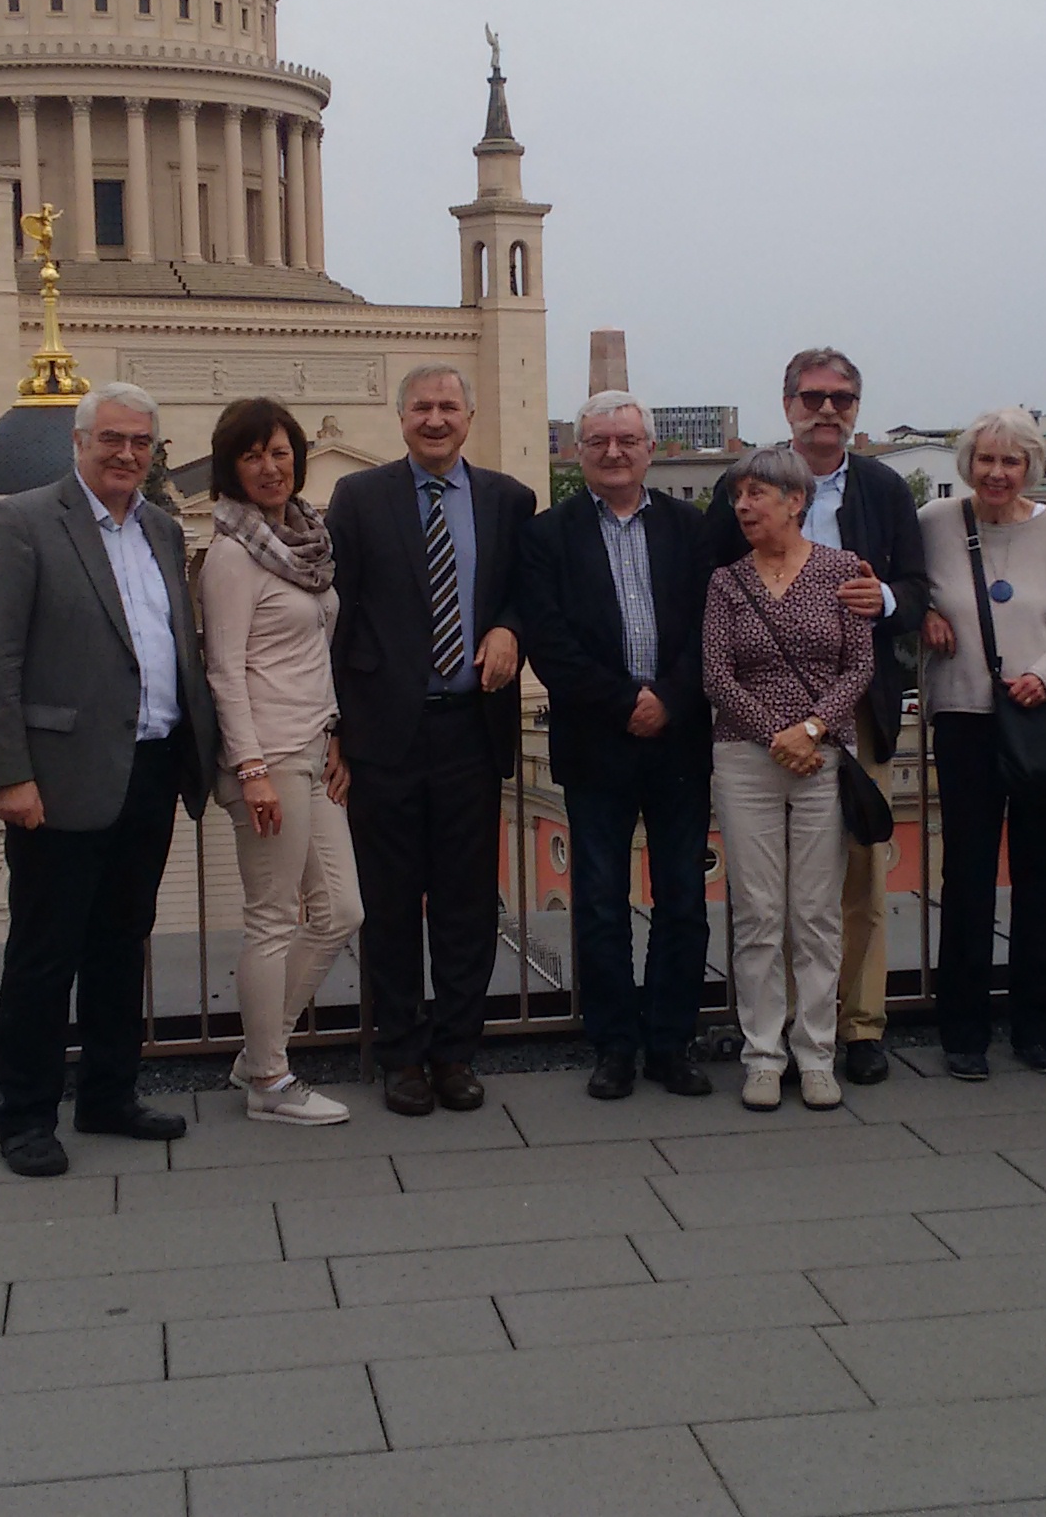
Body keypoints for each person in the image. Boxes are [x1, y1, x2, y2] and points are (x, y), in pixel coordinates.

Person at [0, 382, 220, 1176]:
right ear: (78, 442)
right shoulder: (24, 521)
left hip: (149, 768)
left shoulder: (162, 529)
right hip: (60, 778)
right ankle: (26, 1117)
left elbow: (172, 641)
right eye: (111, 439)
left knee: (120, 944)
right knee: (44, 953)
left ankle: (109, 1094)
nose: (127, 455)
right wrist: (7, 774)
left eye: (141, 442)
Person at [703, 347, 928, 1087]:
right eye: (812, 396)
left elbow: (916, 591)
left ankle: (855, 1029)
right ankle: (777, 1037)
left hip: (853, 711)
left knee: (855, 879)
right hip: (757, 726)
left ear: (857, 407)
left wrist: (883, 601)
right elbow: (714, 603)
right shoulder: (739, 488)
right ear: (788, 403)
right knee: (768, 898)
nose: (827, 409)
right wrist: (774, 727)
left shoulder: (885, 486)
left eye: (842, 397)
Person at [326, 364, 532, 1117]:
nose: (436, 419)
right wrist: (337, 728)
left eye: (449, 406)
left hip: (469, 731)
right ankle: (402, 1057)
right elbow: (337, 613)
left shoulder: (509, 500)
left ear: (470, 418)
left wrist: (510, 627)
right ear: (401, 417)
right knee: (387, 904)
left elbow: (523, 589)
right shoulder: (359, 497)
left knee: (467, 905)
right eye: (422, 407)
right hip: (384, 732)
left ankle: (456, 1053)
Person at [521, 393, 716, 1100]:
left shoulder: (691, 529)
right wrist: (624, 704)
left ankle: (671, 1041)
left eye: (626, 440)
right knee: (600, 903)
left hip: (680, 741)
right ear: (578, 452)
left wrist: (669, 699)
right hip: (596, 741)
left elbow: (710, 631)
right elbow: (549, 642)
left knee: (683, 900)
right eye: (598, 440)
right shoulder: (549, 535)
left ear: (649, 449)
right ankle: (612, 1043)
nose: (612, 452)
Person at [916, 408, 1046, 1079]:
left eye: (1011, 461)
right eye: (986, 459)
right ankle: (962, 1030)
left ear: (1031, 466)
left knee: (1035, 876)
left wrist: (1043, 677)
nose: (997, 472)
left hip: (1037, 716)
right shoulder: (934, 522)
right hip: (964, 717)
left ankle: (1035, 1027)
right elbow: (908, 594)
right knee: (965, 877)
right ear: (969, 463)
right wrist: (927, 613)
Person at [198, 397, 360, 1127]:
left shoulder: (302, 540)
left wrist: (333, 736)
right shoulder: (232, 555)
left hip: (310, 746)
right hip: (266, 757)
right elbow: (224, 671)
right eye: (253, 455)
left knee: (340, 912)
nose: (271, 466)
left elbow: (312, 655)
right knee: (271, 917)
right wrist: (253, 768)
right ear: (231, 469)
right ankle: (268, 1078)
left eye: (281, 452)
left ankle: (257, 1052)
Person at [703, 446, 875, 1111]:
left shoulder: (840, 571)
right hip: (746, 759)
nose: (744, 507)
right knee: (758, 913)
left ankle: (817, 1054)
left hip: (821, 756)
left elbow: (858, 668)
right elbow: (716, 673)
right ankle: (763, 1056)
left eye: (756, 494)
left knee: (815, 912)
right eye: (738, 496)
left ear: (795, 501)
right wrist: (776, 733)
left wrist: (809, 731)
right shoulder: (726, 582)